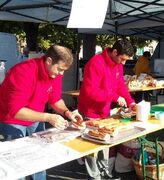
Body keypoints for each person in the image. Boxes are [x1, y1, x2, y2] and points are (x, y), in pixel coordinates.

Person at [0, 45, 83, 180]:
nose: (61, 74)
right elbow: (15, 111)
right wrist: (48, 117)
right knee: (17, 165)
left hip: (36, 118)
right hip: (12, 121)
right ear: (49, 61)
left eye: (64, 71)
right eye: (60, 69)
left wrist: (68, 113)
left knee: (39, 159)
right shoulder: (23, 71)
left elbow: (54, 99)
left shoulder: (54, 73)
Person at [78, 39, 136, 180]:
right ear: (115, 52)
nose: (123, 63)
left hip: (103, 111)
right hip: (89, 111)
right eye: (122, 59)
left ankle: (104, 173)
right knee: (91, 147)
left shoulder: (117, 64)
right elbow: (90, 92)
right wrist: (114, 97)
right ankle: (94, 177)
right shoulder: (95, 63)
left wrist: (131, 102)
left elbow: (120, 85)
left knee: (104, 142)